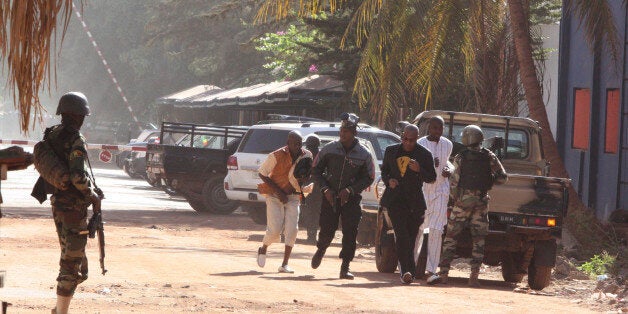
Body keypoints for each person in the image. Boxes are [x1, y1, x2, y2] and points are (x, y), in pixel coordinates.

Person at [430, 125, 507, 287]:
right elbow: (503, 177)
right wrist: (488, 181)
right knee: (479, 240)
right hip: (481, 203)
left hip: (462, 203)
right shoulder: (489, 155)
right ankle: (474, 277)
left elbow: (454, 181)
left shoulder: (461, 156)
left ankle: (443, 274)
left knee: (450, 238)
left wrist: (455, 199)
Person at [47, 92, 102, 314]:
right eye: (82, 115)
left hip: (59, 205)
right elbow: (78, 176)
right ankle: (60, 312)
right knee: (71, 265)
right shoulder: (76, 139)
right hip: (73, 209)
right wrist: (92, 195)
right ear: (77, 115)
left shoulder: (52, 134)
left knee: (77, 265)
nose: (83, 119)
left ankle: (59, 307)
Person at [310, 113, 375, 280]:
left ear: (354, 133)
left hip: (351, 200)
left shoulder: (364, 154)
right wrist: (325, 189)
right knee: (327, 229)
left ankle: (345, 266)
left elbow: (369, 177)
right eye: (341, 130)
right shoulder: (329, 149)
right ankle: (321, 250)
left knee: (350, 232)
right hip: (330, 196)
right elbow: (316, 170)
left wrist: (351, 190)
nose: (343, 133)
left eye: (347, 130)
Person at [380, 124, 436, 284]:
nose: (408, 143)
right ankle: (407, 271)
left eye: (411, 140)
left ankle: (408, 270)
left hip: (415, 202)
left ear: (417, 138)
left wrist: (419, 170)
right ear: (402, 136)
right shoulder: (391, 151)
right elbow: (384, 171)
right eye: (405, 139)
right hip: (395, 200)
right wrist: (388, 180)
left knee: (411, 239)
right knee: (402, 235)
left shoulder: (424, 154)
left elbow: (431, 177)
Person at [256, 131, 312, 273]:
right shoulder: (276, 155)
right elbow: (262, 173)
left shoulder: (307, 155)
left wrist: (305, 180)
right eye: (295, 143)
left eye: (300, 144)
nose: (298, 146)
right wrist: (279, 192)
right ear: (288, 144)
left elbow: (307, 174)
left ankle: (284, 264)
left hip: (293, 196)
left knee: (292, 230)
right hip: (275, 196)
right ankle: (263, 248)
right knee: (274, 230)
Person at [416, 116, 454, 284]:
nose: (437, 131)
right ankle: (411, 266)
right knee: (418, 229)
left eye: (440, 128)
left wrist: (449, 169)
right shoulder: (420, 143)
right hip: (423, 190)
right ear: (428, 128)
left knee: (436, 230)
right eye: (434, 128)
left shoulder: (448, 144)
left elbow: (449, 163)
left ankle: (431, 270)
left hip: (440, 190)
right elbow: (415, 165)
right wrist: (429, 163)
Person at [300, 134, 322, 243]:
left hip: (309, 188)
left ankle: (311, 235)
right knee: (314, 212)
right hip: (317, 188)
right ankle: (312, 235)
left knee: (308, 211)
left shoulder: (305, 155)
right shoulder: (321, 155)